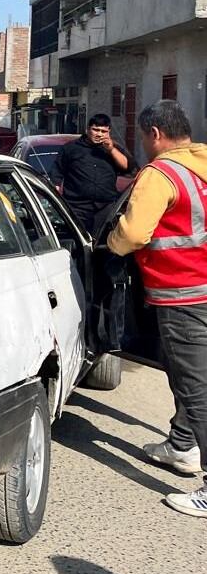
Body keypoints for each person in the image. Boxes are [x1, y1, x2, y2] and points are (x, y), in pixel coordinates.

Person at [107, 99, 207, 519]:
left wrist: (110, 245)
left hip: (181, 293)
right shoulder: (201, 167)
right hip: (204, 286)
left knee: (196, 389)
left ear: (154, 134)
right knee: (192, 376)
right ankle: (182, 445)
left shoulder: (160, 173)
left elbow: (132, 234)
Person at [51, 113, 137, 233]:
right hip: (76, 206)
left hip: (105, 207)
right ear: (87, 129)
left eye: (103, 131)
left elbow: (128, 167)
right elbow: (57, 172)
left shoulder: (114, 148)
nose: (99, 134)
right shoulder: (71, 148)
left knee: (103, 243)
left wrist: (111, 149)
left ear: (108, 132)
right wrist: (56, 187)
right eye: (95, 130)